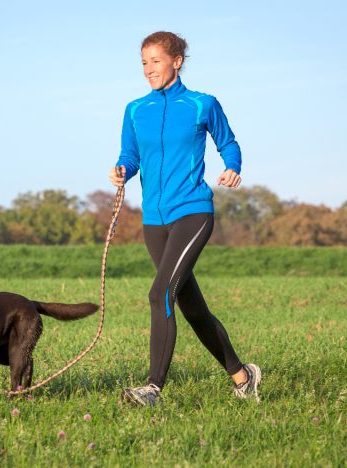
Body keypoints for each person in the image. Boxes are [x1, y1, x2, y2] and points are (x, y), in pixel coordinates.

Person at [109, 31, 261, 406]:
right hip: (153, 220)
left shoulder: (201, 104)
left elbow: (228, 142)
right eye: (144, 62)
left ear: (177, 61)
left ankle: (152, 389)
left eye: (156, 61)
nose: (148, 69)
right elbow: (130, 154)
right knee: (191, 307)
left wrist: (233, 167)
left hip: (193, 211)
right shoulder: (135, 110)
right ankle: (244, 377)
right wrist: (122, 170)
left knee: (159, 293)